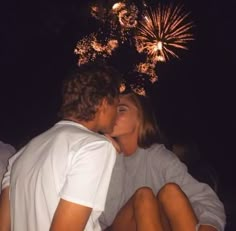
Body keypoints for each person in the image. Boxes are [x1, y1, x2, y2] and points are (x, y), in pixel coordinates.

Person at [0, 63, 121, 231]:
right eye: (117, 106)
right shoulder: (94, 147)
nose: (117, 114)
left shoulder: (21, 154)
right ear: (104, 103)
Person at [99, 90, 226, 231]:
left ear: (141, 117)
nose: (111, 114)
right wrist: (115, 158)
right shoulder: (100, 159)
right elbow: (106, 219)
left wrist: (209, 225)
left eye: (121, 109)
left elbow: (205, 199)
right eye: (109, 109)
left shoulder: (158, 157)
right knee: (144, 196)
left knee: (170, 192)